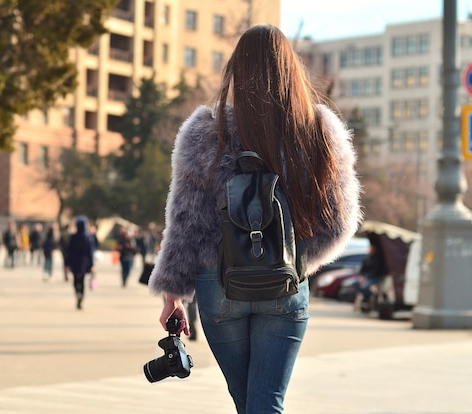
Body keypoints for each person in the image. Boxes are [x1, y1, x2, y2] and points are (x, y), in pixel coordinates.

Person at [148, 25, 361, 413]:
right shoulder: (317, 130)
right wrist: (293, 260)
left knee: (249, 404)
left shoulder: (204, 131)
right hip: (285, 285)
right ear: (290, 68)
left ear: (235, 70)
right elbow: (340, 221)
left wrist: (172, 294)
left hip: (219, 285)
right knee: (265, 404)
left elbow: (184, 224)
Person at [65, 216, 95, 310]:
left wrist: (67, 263)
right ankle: (81, 295)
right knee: (82, 280)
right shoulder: (88, 238)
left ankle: (77, 293)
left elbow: (69, 251)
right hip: (84, 262)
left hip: (75, 261)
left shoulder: (73, 237)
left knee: (75, 280)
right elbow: (90, 252)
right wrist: (92, 264)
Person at [352, 237, 389, 311]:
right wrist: (361, 277)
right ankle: (366, 297)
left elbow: (376, 271)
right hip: (365, 277)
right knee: (355, 283)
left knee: (366, 286)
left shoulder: (378, 259)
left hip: (374, 277)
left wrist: (365, 278)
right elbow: (362, 270)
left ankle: (367, 298)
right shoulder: (367, 258)